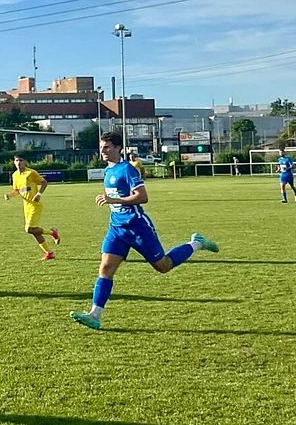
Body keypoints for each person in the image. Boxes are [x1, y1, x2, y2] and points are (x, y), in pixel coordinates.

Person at [70, 132, 219, 331]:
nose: (102, 151)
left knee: (163, 266)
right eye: (101, 147)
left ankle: (196, 243)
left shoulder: (128, 170)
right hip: (117, 229)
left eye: (106, 147)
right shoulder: (108, 170)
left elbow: (142, 197)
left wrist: (116, 200)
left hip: (138, 227)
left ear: (118, 148)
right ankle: (95, 315)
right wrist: (112, 201)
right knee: (105, 268)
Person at [4, 155, 60, 260]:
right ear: (14, 162)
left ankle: (52, 233)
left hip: (35, 205)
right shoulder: (15, 175)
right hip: (26, 206)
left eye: (21, 160)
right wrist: (9, 195)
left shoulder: (31, 173)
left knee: (29, 229)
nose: (19, 162)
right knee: (34, 231)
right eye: (17, 160)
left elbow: (44, 183)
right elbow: (17, 190)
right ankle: (49, 253)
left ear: (25, 162)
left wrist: (39, 194)